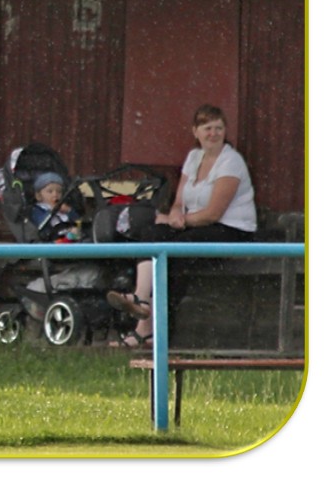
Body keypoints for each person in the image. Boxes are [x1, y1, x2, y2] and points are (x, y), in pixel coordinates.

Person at [107, 104, 257, 349]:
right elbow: (179, 202)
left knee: (171, 254)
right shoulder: (194, 157)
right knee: (152, 234)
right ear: (195, 131)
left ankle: (150, 330)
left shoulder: (231, 162)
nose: (213, 134)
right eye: (207, 128)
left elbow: (213, 214)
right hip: (196, 226)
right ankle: (141, 299)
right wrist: (175, 214)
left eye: (218, 128)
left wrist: (180, 221)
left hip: (231, 231)